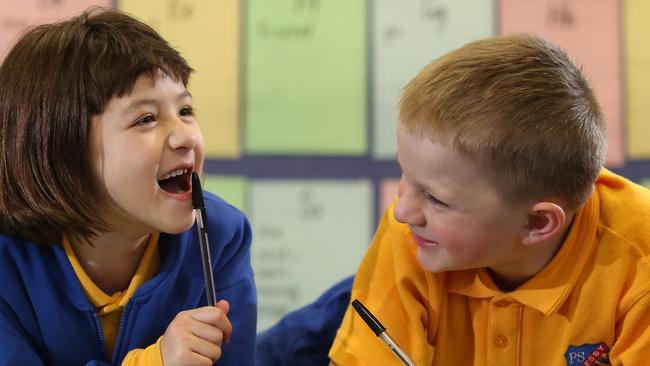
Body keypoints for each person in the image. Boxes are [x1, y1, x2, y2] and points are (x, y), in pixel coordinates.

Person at [329, 34, 650, 365]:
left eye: (436, 199)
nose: (403, 212)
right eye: (405, 174)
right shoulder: (418, 237)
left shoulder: (640, 263)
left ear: (536, 222)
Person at [0, 8, 256, 366]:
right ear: (61, 147)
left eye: (185, 110)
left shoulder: (223, 236)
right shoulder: (8, 257)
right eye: (146, 118)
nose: (185, 136)